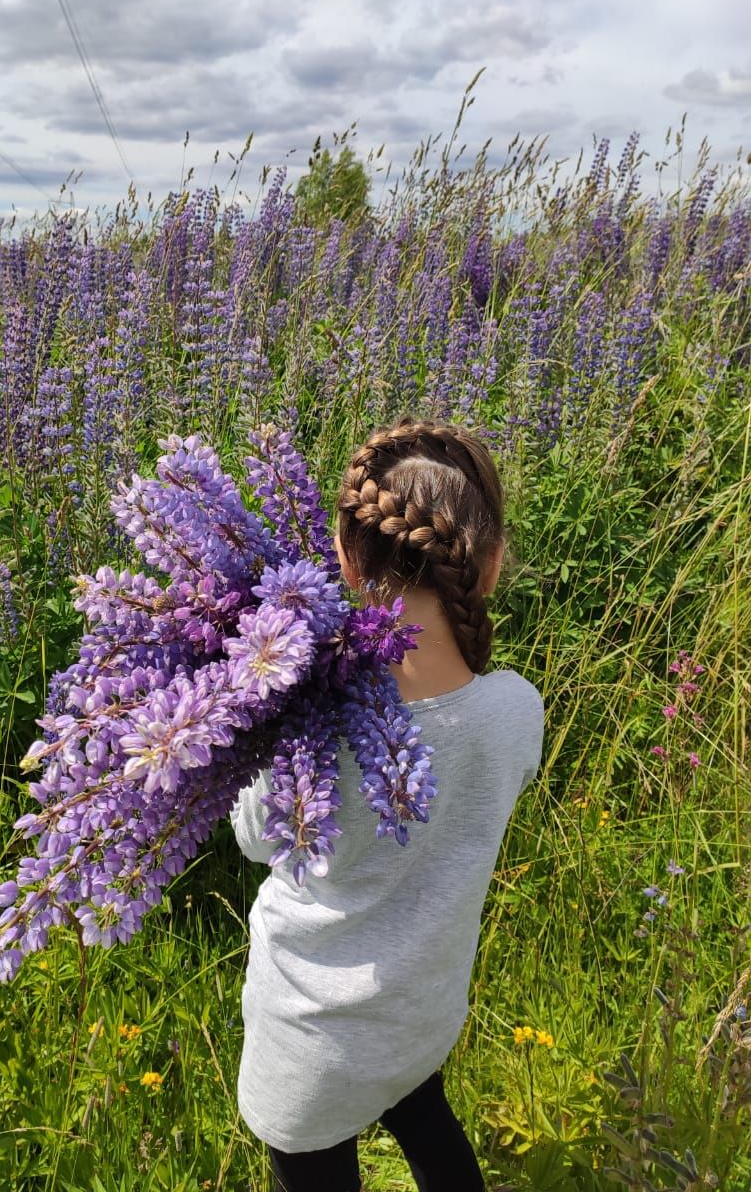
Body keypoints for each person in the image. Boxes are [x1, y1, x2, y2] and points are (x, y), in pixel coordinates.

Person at [229, 419, 545, 1192]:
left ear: (344, 557)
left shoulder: (312, 729)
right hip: (420, 1014)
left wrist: (254, 702)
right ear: (492, 565)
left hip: (312, 1042)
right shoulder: (515, 710)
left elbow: (253, 838)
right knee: (429, 1125)